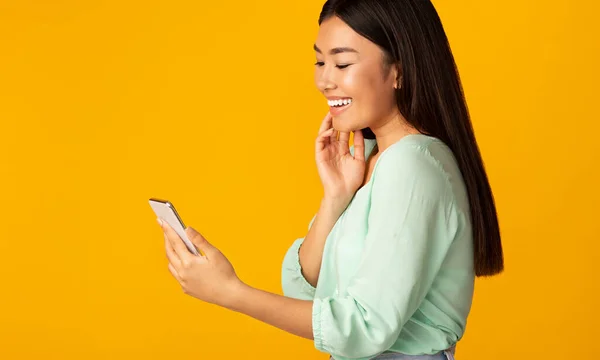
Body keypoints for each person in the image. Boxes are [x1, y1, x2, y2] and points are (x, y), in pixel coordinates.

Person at [158, 1, 504, 359]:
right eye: (320, 62)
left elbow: (364, 326)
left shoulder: (412, 165)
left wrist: (231, 292)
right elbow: (304, 293)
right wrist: (335, 198)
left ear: (398, 70)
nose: (325, 80)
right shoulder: (372, 161)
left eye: (342, 63)